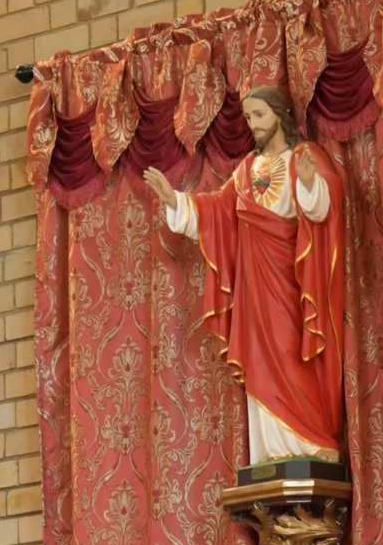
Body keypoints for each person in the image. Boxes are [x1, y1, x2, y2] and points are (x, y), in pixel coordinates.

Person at [144, 87, 348, 465]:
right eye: (249, 117)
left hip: (293, 281)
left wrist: (308, 185)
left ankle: (309, 440)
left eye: (259, 116)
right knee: (260, 357)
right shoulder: (246, 171)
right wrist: (177, 202)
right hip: (254, 289)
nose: (253, 125)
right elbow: (218, 211)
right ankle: (272, 452)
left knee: (292, 352)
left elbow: (323, 208)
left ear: (280, 114)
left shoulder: (304, 157)